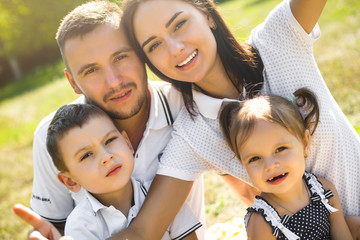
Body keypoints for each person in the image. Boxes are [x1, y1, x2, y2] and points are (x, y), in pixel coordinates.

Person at [100, 0, 359, 238]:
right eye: (154, 45)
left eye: (179, 24)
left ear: (207, 15)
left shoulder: (278, 39)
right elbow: (143, 231)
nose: (175, 49)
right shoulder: (194, 134)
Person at [13, 1, 206, 239]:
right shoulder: (51, 136)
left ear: (141, 53)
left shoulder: (187, 107)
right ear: (72, 82)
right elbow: (52, 227)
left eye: (120, 57)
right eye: (91, 70)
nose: (114, 81)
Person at [46, 103, 201, 239]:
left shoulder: (161, 194)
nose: (106, 157)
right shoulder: (80, 225)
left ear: (127, 144)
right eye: (86, 155)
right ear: (70, 181)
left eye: (110, 140)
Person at [219, 88, 353, 239]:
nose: (270, 165)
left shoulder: (323, 190)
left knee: (353, 224)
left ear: (305, 143)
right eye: (255, 158)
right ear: (242, 163)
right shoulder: (262, 222)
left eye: (280, 149)